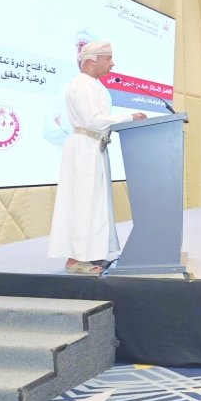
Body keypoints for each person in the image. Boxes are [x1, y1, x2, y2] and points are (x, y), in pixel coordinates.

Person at [47, 42, 147, 275]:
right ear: (92, 60)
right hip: (83, 149)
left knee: (93, 204)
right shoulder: (81, 85)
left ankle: (88, 254)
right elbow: (92, 120)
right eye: (108, 58)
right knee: (82, 203)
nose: (112, 64)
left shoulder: (93, 85)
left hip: (93, 147)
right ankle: (75, 260)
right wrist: (129, 117)